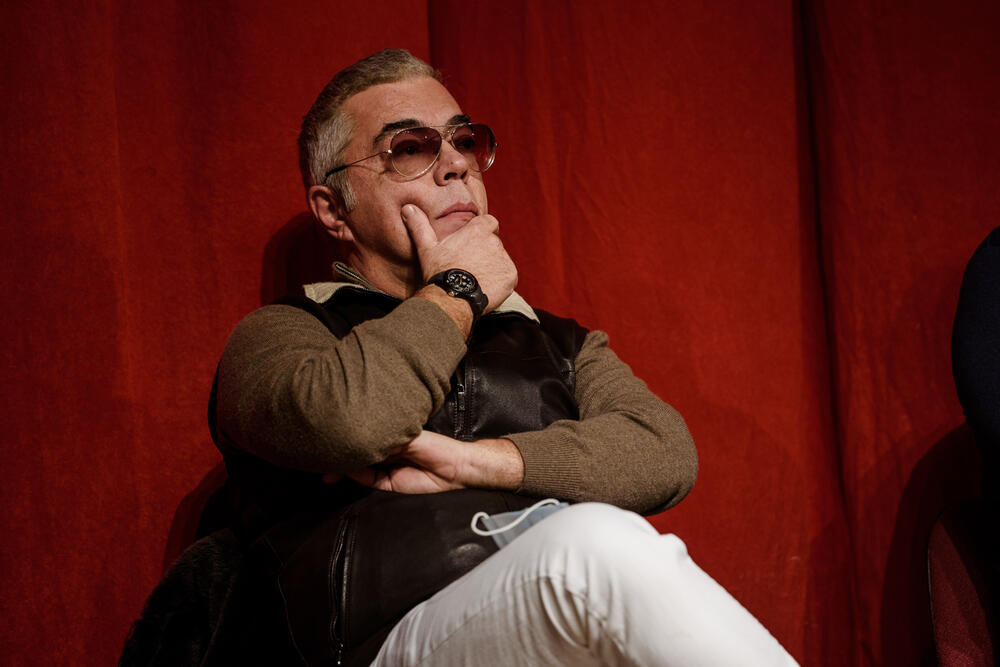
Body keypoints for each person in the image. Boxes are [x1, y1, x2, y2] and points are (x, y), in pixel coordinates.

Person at [210, 48, 798, 666]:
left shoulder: (561, 343)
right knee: (593, 547)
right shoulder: (283, 334)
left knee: (609, 552)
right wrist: (458, 289)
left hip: (546, 632)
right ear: (334, 209)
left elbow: (664, 453)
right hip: (373, 647)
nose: (456, 165)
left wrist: (473, 462)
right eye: (409, 148)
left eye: (462, 141)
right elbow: (352, 421)